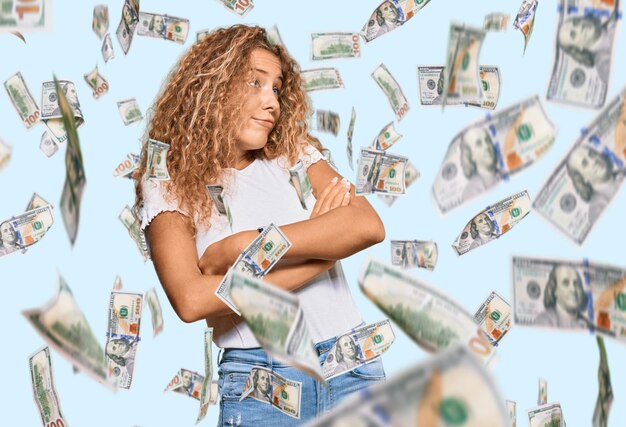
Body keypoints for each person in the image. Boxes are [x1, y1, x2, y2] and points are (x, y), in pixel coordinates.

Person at [135, 25, 386, 426]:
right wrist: (325, 250)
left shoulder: (292, 155)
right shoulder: (168, 181)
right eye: (255, 82)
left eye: (276, 88)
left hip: (352, 370)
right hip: (259, 381)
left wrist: (243, 246)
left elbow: (368, 225)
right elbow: (191, 300)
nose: (272, 102)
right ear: (212, 87)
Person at [566, 144, 622, 223]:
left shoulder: (622, 173)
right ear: (583, 178)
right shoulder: (597, 209)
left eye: (592, 155)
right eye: (585, 164)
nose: (593, 161)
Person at [557, 10, 617, 82]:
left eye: (576, 23)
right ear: (579, 48)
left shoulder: (615, 16)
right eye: (573, 34)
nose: (580, 27)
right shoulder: (603, 65)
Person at [534, 264, 591, 329]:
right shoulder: (543, 321)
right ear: (554, 290)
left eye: (576, 283)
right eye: (565, 283)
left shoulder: (587, 324)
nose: (573, 289)